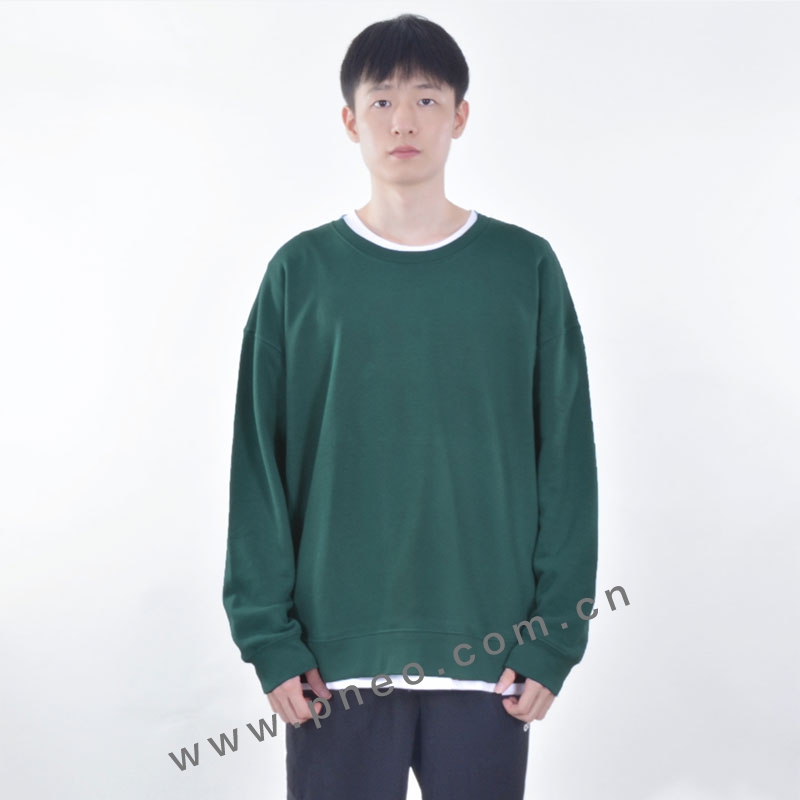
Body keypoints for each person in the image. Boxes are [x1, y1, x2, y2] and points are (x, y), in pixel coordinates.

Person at [222, 12, 598, 800]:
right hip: (332, 664)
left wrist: (554, 636)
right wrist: (270, 640)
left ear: (460, 116)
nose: (404, 121)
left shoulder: (524, 269)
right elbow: (258, 465)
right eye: (383, 100)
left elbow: (566, 463)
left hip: (491, 657)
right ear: (350, 120)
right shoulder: (300, 275)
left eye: (427, 100)